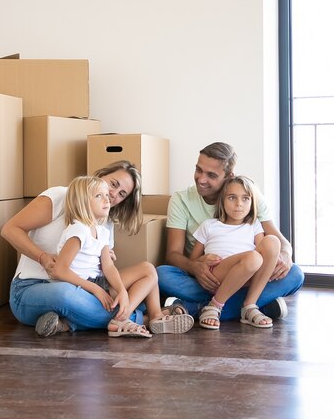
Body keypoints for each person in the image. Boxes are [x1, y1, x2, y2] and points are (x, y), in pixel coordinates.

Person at [1, 160, 192, 337]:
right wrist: (42, 257)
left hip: (85, 286)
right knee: (66, 294)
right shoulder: (61, 196)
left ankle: (71, 323)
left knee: (143, 275)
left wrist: (120, 290)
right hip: (34, 288)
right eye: (114, 184)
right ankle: (143, 318)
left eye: (122, 194)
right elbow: (10, 229)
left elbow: (103, 270)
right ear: (101, 175)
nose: (113, 195)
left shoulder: (104, 224)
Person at [157, 142, 304, 321]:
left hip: (249, 275)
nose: (201, 179)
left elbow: (277, 241)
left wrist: (286, 254)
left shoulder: (250, 195)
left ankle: (194, 308)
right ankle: (256, 306)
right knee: (162, 274)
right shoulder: (182, 200)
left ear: (228, 176)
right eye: (198, 170)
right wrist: (195, 267)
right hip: (206, 279)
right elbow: (172, 255)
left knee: (295, 275)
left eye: (211, 175)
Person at [47, 175, 194, 338]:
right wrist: (96, 289)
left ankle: (155, 316)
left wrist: (122, 291)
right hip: (84, 286)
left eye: (105, 194)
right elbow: (59, 270)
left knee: (149, 274)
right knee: (148, 271)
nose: (107, 199)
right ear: (82, 202)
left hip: (98, 282)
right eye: (98, 196)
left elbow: (108, 266)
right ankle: (130, 318)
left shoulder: (101, 231)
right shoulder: (78, 231)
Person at [192, 175, 280, 329]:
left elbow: (264, 254)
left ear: (252, 202)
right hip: (217, 274)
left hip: (248, 277)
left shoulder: (254, 225)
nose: (239, 204)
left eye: (245, 198)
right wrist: (202, 260)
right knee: (253, 257)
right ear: (222, 201)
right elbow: (192, 261)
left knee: (273, 242)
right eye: (232, 198)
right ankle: (214, 306)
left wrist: (275, 260)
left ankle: (249, 305)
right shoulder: (210, 225)